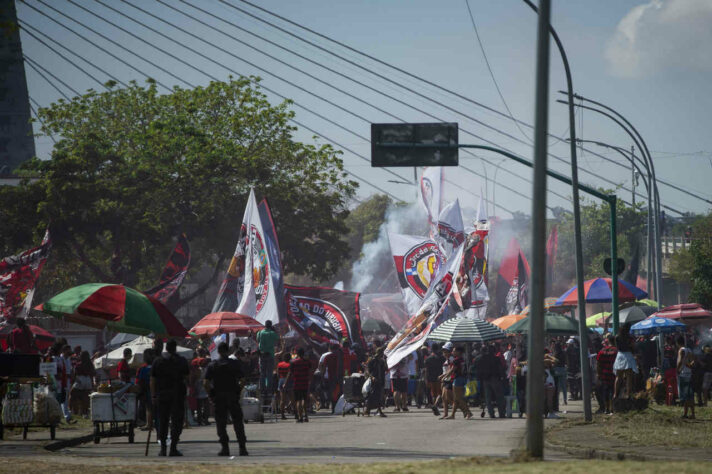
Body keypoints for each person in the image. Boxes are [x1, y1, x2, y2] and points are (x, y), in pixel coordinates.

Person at [204, 342, 248, 457]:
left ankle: (225, 448)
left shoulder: (213, 365)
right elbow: (243, 380)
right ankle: (242, 448)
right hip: (232, 395)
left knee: (221, 424)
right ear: (228, 351)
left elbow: (206, 383)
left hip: (219, 397)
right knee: (238, 423)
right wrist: (238, 390)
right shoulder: (234, 364)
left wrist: (211, 394)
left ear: (218, 351)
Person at [151, 339, 189, 457]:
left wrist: (153, 395)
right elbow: (187, 378)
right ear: (175, 348)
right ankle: (173, 448)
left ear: (166, 348)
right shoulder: (181, 361)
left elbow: (152, 380)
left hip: (162, 395)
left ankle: (163, 449)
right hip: (177, 395)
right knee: (176, 422)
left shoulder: (158, 361)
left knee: (163, 421)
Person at [286, 347, 311, 423]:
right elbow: (309, 371)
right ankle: (306, 416)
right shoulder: (307, 362)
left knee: (298, 401)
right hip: (305, 383)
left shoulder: (293, 362)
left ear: (297, 354)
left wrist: (285, 383)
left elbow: (290, 373)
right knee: (304, 400)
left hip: (297, 383)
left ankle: (300, 417)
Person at [448, 346, 473, 419]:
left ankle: (468, 412)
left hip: (457, 379)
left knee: (458, 398)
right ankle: (452, 414)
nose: (452, 352)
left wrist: (444, 376)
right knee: (456, 399)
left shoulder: (456, 360)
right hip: (463, 378)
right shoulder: (463, 359)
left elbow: (452, 370)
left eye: (454, 351)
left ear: (458, 352)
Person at [613, 325, 638, 400]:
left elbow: (617, 347)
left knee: (618, 376)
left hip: (620, 355)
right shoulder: (630, 337)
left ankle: (615, 394)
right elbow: (633, 347)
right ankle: (628, 394)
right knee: (629, 377)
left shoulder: (617, 337)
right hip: (628, 355)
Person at [256, 320, 280, 398]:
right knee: (269, 373)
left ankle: (262, 390)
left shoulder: (260, 332)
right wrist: (274, 330)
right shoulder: (272, 333)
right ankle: (269, 391)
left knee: (262, 373)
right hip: (270, 355)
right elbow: (278, 339)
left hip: (262, 355)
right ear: (271, 325)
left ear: (265, 325)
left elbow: (257, 339)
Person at [596, 335, 618, 415]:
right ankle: (612, 408)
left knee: (605, 391)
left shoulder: (602, 351)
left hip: (604, 374)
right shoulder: (616, 351)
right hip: (614, 374)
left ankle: (606, 408)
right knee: (612, 391)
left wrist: (598, 373)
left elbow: (598, 363)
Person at [70, 350, 95, 417]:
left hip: (80, 379)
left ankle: (73, 411)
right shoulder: (90, 364)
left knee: (72, 394)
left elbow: (75, 373)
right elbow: (93, 373)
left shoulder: (79, 364)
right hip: (88, 380)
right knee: (85, 398)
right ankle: (85, 412)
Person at [364, 347, 387, 417]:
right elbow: (367, 370)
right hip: (374, 380)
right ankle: (368, 410)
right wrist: (372, 377)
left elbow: (386, 368)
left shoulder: (382, 361)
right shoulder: (372, 360)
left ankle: (377, 410)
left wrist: (385, 360)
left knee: (380, 396)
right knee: (372, 396)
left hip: (381, 380)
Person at [677, 336, 695, 419]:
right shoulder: (689, 350)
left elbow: (680, 361)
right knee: (690, 395)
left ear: (678, 343)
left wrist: (677, 369)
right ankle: (692, 413)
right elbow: (693, 361)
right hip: (689, 373)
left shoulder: (681, 350)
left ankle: (685, 414)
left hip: (683, 374)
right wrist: (689, 365)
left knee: (685, 395)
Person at [136, 349, 154, 431]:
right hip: (155, 390)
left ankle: (149, 424)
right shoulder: (157, 366)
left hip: (148, 390)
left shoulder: (143, 369)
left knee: (149, 408)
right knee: (150, 408)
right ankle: (150, 423)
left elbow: (140, 381)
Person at [424, 343, 443, 416]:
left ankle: (435, 407)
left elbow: (426, 370)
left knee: (433, 394)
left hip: (430, 377)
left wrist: (426, 379)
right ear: (438, 348)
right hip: (439, 377)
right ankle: (435, 405)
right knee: (440, 393)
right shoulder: (441, 357)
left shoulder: (428, 358)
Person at [439, 342, 454, 419]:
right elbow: (446, 370)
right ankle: (445, 413)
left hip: (450, 380)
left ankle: (464, 410)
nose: (444, 353)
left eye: (446, 351)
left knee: (449, 398)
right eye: (444, 351)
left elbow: (451, 369)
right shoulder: (447, 359)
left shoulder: (451, 359)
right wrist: (442, 376)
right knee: (444, 398)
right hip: (445, 380)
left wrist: (443, 376)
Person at [276, 352, 292, 420]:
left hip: (281, 380)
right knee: (293, 398)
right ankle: (296, 413)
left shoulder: (280, 364)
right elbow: (290, 373)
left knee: (282, 399)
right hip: (289, 381)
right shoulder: (290, 364)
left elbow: (277, 373)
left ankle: (282, 414)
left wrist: (279, 380)